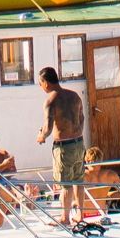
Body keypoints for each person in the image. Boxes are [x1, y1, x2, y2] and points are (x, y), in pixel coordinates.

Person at [36, 67, 87, 224]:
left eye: (40, 83)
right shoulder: (74, 96)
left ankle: (65, 218)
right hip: (79, 143)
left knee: (66, 184)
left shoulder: (51, 100)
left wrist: (41, 136)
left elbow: (48, 127)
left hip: (64, 147)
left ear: (45, 82)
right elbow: (82, 118)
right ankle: (80, 215)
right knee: (79, 181)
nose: (40, 87)